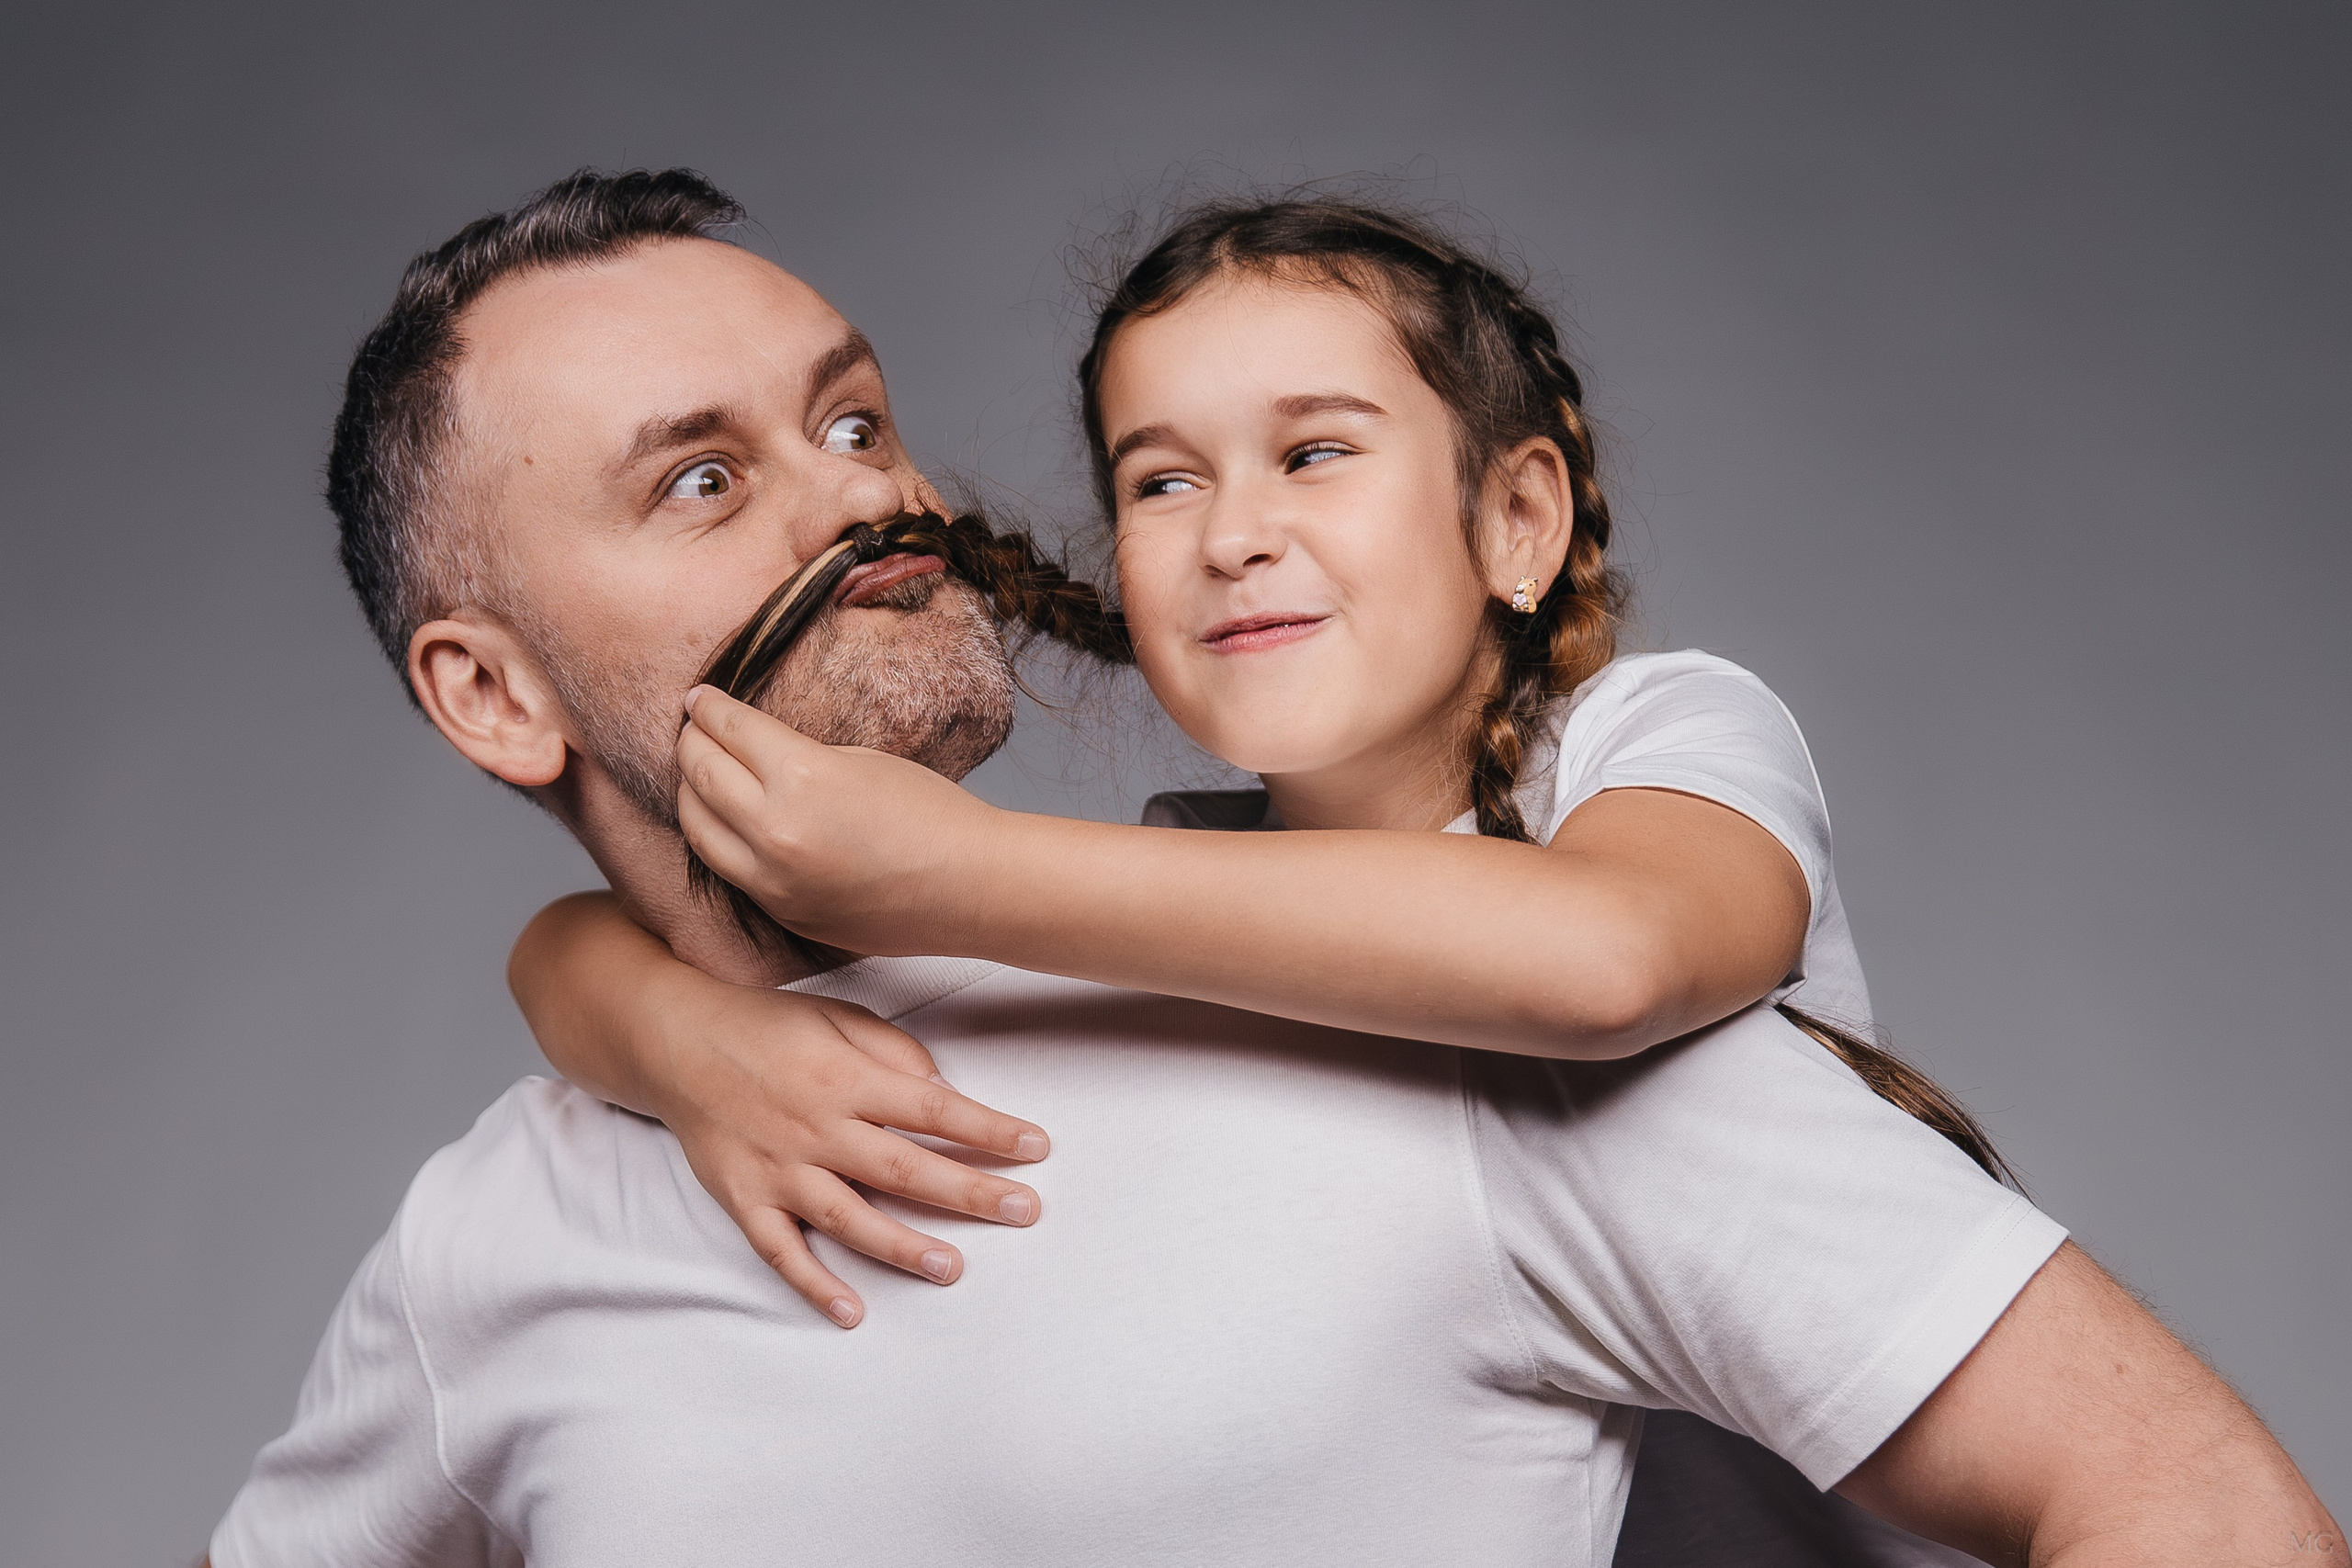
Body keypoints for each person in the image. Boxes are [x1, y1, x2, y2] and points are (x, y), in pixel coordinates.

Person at [209, 169, 2334, 1568]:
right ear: (492, 695)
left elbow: (2191, 1504)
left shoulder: (1469, 1016)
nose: (859, 502)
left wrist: (944, 876)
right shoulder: (495, 1225)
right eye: (700, 476)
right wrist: (651, 1016)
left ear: (1514, 518)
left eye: (855, 423)